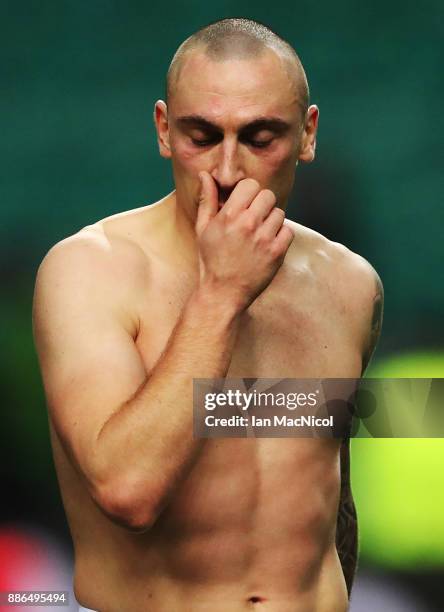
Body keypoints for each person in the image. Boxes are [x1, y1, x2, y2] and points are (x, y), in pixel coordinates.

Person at [33, 18, 383, 612]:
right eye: (201, 136)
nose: (226, 171)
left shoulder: (350, 283)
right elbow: (127, 490)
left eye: (261, 136)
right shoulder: (86, 272)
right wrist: (221, 294)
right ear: (165, 130)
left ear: (308, 134)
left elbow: (330, 494)